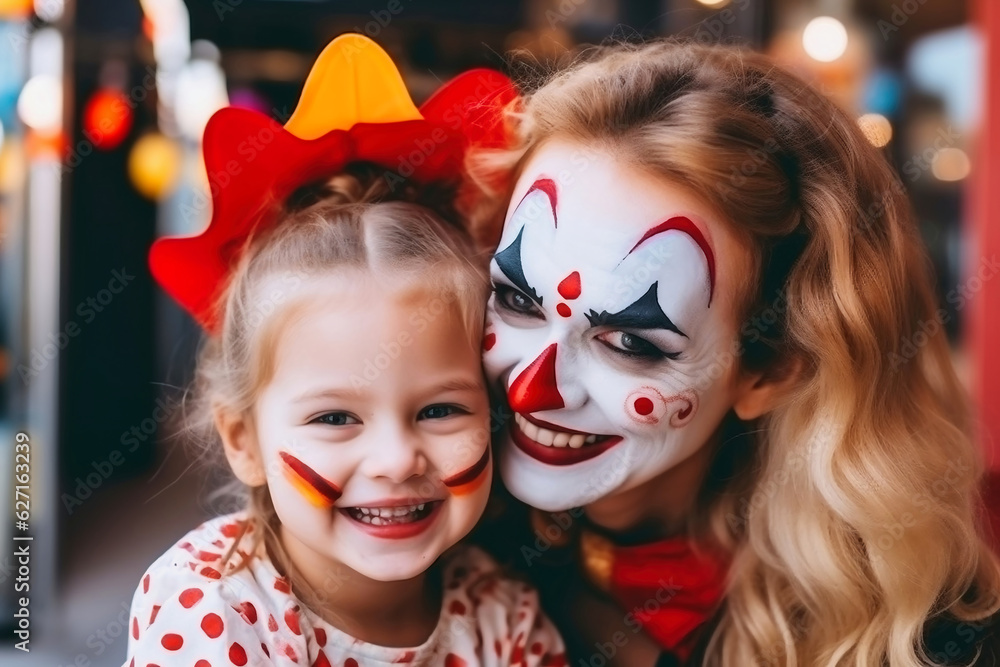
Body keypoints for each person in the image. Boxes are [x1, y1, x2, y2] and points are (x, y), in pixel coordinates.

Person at [471, 40, 1000, 666]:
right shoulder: (410, 532)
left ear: (771, 371)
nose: (532, 388)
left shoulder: (926, 633)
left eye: (631, 342)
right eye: (516, 300)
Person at [123, 35, 564, 667]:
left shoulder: (503, 613)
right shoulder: (207, 606)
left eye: (439, 410)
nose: (394, 460)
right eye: (335, 417)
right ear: (243, 439)